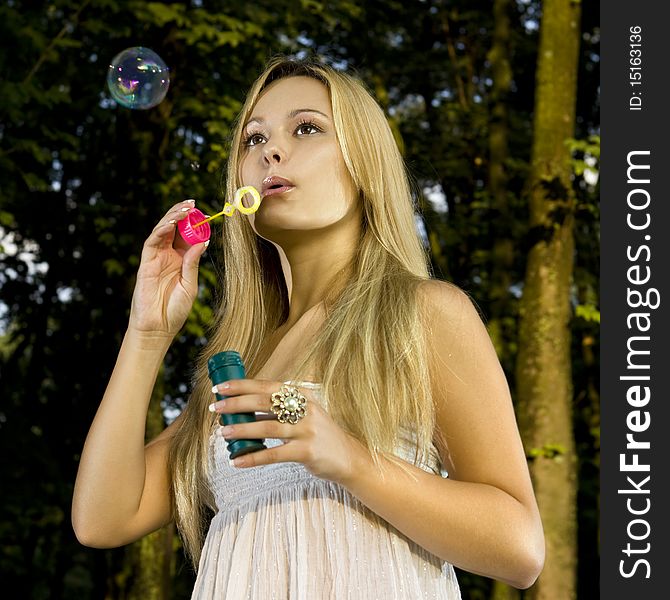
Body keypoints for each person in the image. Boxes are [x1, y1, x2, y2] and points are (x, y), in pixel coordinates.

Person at [72, 56, 545, 598]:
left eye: (306, 128)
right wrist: (146, 331)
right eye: (254, 139)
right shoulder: (239, 365)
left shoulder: (423, 314)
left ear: (364, 164)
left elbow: (520, 548)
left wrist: (348, 458)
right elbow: (103, 518)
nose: (270, 150)